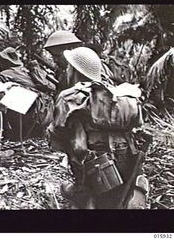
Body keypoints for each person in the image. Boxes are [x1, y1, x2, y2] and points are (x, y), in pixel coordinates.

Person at [47, 47, 149, 209]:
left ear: (74, 71)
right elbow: (138, 125)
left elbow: (58, 136)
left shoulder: (70, 97)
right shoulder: (116, 95)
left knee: (71, 139)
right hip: (127, 159)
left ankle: (82, 190)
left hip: (94, 163)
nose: (66, 71)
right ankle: (132, 187)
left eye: (69, 67)